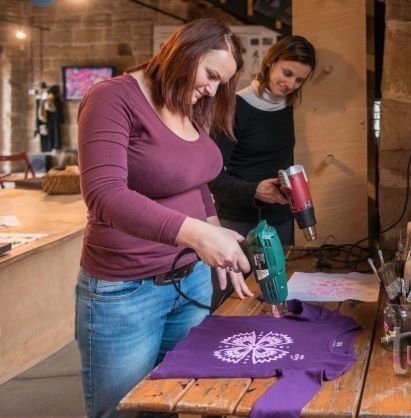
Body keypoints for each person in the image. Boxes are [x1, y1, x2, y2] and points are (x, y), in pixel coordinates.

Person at [75, 19, 254, 418]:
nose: (212, 89)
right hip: (126, 291)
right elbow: (104, 195)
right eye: (210, 75)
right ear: (184, 52)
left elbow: (198, 181)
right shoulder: (111, 99)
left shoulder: (185, 103)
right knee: (120, 412)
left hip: (189, 281)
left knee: (170, 405)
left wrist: (215, 229)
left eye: (221, 83)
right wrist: (197, 235)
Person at [209, 35, 317, 247]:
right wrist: (255, 190)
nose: (291, 84)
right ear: (270, 62)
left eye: (299, 80)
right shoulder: (235, 107)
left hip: (282, 222)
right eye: (287, 73)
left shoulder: (294, 109)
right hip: (238, 223)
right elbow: (212, 178)